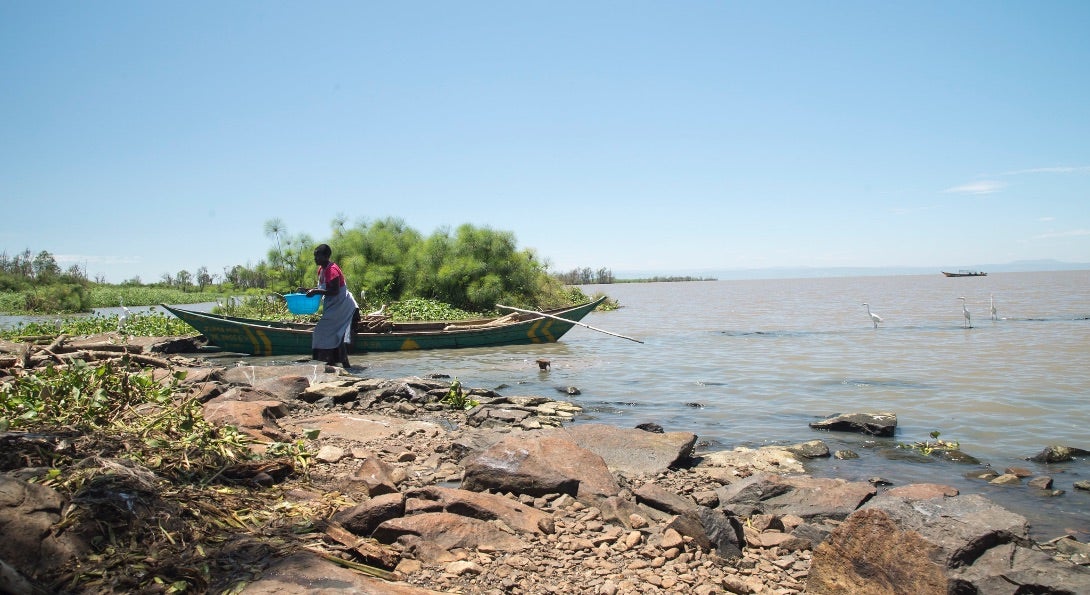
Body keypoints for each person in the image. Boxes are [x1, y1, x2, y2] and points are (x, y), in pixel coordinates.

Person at [299, 244, 359, 367]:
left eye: (318, 256)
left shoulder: (332, 270)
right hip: (334, 306)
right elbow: (323, 288)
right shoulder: (321, 269)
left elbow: (334, 291)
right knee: (336, 335)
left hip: (343, 306)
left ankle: (335, 362)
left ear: (326, 256)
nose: (315, 258)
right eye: (315, 256)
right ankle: (337, 363)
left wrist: (315, 292)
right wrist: (307, 290)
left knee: (324, 332)